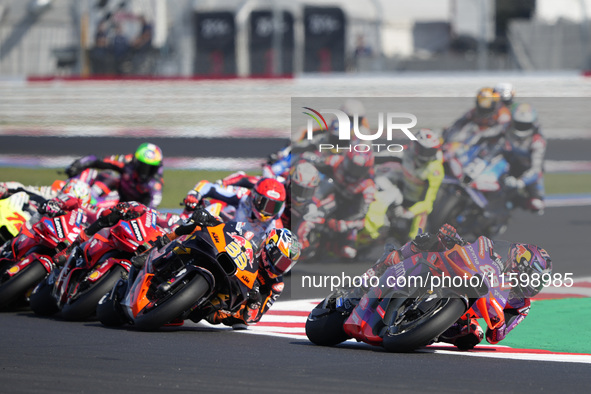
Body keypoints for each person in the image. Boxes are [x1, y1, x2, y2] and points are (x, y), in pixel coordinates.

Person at [363, 224, 551, 350]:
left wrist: (499, 322)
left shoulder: (521, 305)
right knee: (428, 240)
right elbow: (474, 249)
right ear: (520, 262)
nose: (533, 285)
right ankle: (382, 266)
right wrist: (453, 237)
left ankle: (424, 329)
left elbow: (495, 337)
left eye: (539, 282)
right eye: (533, 278)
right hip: (458, 274)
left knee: (472, 336)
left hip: (465, 313)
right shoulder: (498, 254)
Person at [141, 207, 300, 328]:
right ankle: (157, 246)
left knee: (223, 315)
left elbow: (253, 318)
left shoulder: (276, 284)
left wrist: (254, 301)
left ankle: (186, 304)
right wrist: (211, 220)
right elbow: (229, 228)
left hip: (232, 298)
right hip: (224, 263)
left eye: (286, 265)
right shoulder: (254, 238)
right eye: (280, 260)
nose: (281, 267)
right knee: (195, 225)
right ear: (270, 248)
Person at [307, 149, 376, 259]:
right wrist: (308, 160)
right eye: (352, 167)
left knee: (348, 252)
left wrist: (344, 223)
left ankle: (344, 245)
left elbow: (363, 213)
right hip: (330, 198)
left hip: (348, 213)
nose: (354, 173)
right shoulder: (336, 161)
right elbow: (315, 164)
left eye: (359, 170)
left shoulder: (368, 185)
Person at [385, 129, 444, 241]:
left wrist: (410, 212)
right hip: (397, 194)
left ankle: (413, 244)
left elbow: (428, 202)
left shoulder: (436, 169)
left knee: (418, 231)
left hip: (416, 203)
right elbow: (382, 155)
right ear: (414, 145)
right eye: (422, 150)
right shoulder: (405, 152)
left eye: (429, 151)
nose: (425, 155)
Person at [65, 142, 164, 209]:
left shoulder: (155, 185)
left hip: (125, 208)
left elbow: (149, 210)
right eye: (143, 167)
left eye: (151, 168)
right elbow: (95, 159)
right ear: (136, 162)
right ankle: (70, 191)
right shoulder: (127, 162)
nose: (145, 172)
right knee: (106, 175)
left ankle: (88, 206)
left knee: (115, 199)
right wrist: (77, 164)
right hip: (116, 190)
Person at [182, 177, 286, 236]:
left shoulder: (277, 228)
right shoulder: (245, 196)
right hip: (222, 235)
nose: (268, 211)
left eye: (274, 206)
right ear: (256, 197)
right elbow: (209, 187)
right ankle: (180, 229)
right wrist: (194, 194)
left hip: (243, 259)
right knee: (208, 206)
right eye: (265, 204)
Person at [502, 103, 546, 214]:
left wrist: (520, 182)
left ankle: (516, 201)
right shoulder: (506, 129)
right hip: (509, 164)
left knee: (537, 204)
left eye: (525, 125)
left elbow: (536, 170)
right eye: (519, 124)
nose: (521, 127)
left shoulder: (538, 141)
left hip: (527, 170)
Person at [443, 87, 511, 144]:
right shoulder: (474, 111)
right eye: (481, 102)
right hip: (477, 138)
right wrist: (449, 133)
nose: (484, 107)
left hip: (496, 141)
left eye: (486, 103)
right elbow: (460, 122)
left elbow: (502, 128)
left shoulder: (503, 112)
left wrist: (482, 135)